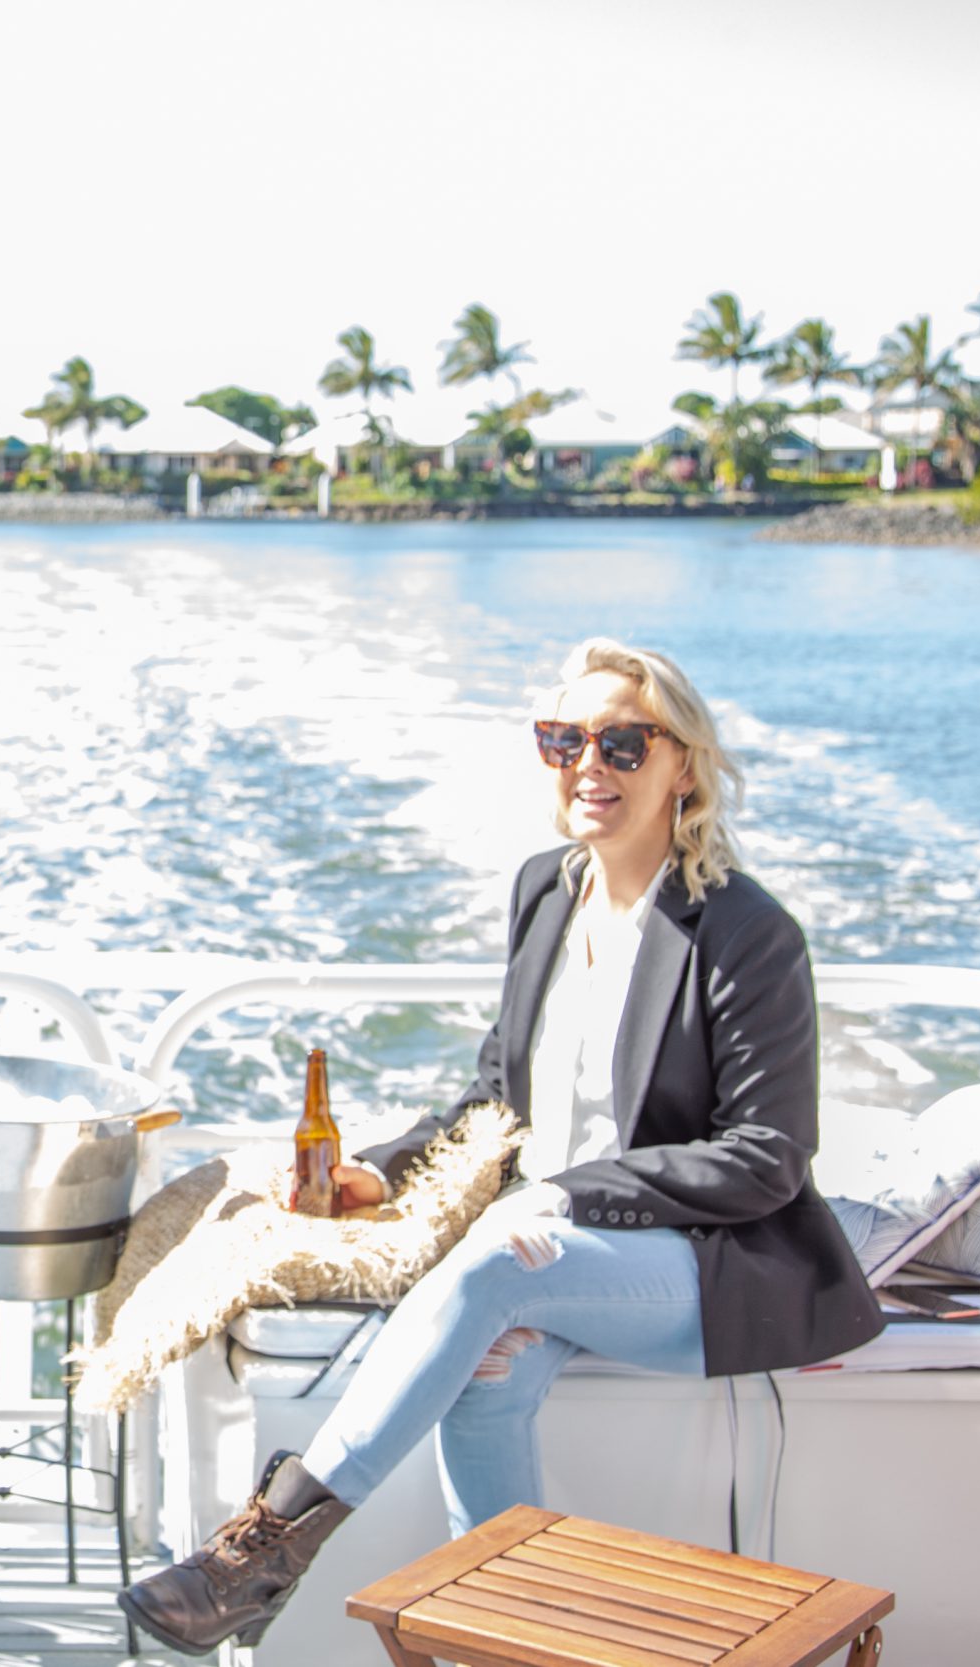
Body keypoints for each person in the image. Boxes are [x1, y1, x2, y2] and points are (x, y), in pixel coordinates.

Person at [121, 637, 881, 1657]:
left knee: (496, 1264)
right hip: (548, 1257)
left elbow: (766, 1156)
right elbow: (495, 1096)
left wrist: (567, 1198)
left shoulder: (744, 932)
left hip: (704, 1263)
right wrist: (377, 1174)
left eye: (621, 744)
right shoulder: (545, 893)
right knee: (485, 1375)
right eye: (563, 740)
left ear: (682, 768)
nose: (588, 767)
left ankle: (264, 1547)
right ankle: (511, 1644)